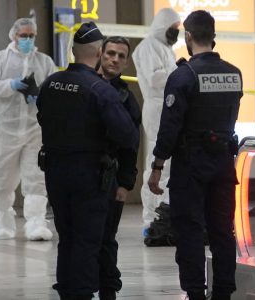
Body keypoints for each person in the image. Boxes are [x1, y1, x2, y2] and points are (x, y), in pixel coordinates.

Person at [36, 22, 139, 300]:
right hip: (89, 175)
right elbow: (128, 135)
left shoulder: (50, 83)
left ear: (73, 50)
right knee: (87, 240)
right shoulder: (100, 90)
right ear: (98, 52)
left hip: (56, 172)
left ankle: (67, 293)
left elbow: (42, 117)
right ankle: (81, 293)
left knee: (66, 238)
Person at [148, 10, 242, 300]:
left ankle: (195, 292)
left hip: (191, 165)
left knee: (189, 230)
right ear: (213, 36)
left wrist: (157, 165)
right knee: (223, 232)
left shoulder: (183, 75)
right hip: (224, 162)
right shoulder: (233, 73)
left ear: (188, 36)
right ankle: (223, 291)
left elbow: (170, 126)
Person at [0, 18, 57, 241]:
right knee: (3, 177)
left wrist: (41, 96)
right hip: (7, 130)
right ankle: (2, 222)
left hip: (35, 130)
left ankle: (36, 224)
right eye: (24, 36)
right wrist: (11, 85)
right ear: (14, 36)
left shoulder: (44, 61)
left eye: (31, 36)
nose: (28, 39)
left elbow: (54, 88)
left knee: (36, 177)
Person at [97, 36, 141, 300]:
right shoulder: (85, 86)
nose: (114, 59)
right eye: (110, 53)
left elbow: (131, 146)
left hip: (111, 178)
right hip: (81, 176)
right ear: (100, 54)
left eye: (120, 56)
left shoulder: (125, 97)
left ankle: (108, 290)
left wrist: (125, 184)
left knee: (107, 239)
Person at [132, 7, 180, 237]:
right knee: (156, 163)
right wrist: (178, 72)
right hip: (157, 109)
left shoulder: (165, 48)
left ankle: (164, 216)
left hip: (166, 109)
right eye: (173, 28)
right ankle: (152, 219)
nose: (176, 32)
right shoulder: (149, 46)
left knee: (167, 165)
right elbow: (155, 78)